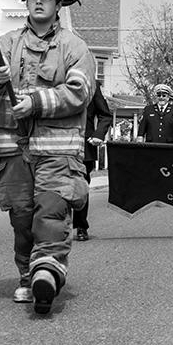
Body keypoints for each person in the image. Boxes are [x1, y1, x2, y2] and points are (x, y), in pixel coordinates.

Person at [0, 0, 93, 315]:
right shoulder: (7, 44)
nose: (38, 2)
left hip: (57, 152)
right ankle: (28, 275)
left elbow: (80, 91)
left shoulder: (75, 47)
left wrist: (37, 102)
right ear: (25, 2)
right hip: (13, 151)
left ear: (59, 4)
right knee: (22, 219)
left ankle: (48, 270)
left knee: (51, 212)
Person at [73, 88, 114, 242]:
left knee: (81, 188)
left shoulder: (91, 84)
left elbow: (105, 115)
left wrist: (98, 134)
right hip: (56, 144)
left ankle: (81, 226)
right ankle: (55, 226)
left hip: (85, 144)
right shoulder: (55, 77)